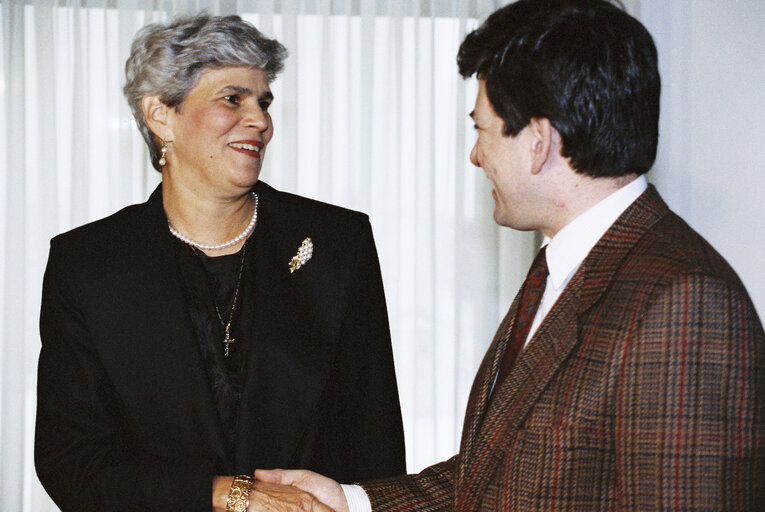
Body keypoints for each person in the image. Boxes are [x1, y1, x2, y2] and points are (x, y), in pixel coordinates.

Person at [255, 0, 765, 509]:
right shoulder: (563, 267)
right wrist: (350, 502)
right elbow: (495, 475)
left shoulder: (685, 302)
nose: (475, 155)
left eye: (481, 128)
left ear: (538, 141)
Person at [35, 13, 405, 512]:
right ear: (160, 115)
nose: (261, 120)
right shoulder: (87, 264)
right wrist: (228, 495)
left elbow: (376, 441)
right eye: (233, 98)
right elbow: (72, 461)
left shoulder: (339, 244)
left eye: (264, 101)